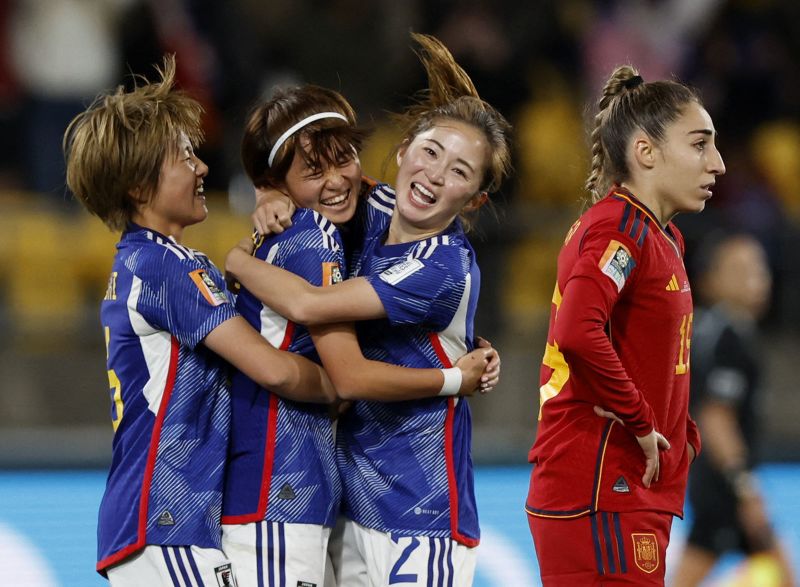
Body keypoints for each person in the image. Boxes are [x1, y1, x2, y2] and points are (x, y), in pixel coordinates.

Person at [224, 32, 512, 587]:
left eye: (459, 172)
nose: (434, 175)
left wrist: (237, 258)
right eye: (430, 153)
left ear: (474, 200)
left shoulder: (443, 263)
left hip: (423, 510)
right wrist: (269, 195)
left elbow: (321, 325)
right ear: (402, 151)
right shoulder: (373, 206)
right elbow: (316, 179)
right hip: (355, 506)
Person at [63, 55, 337, 585]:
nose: (202, 167)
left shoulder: (145, 261)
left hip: (156, 519)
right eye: (184, 157)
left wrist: (254, 234)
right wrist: (344, 385)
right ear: (140, 188)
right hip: (165, 519)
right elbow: (274, 371)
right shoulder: (168, 265)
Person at [525, 65, 725, 586]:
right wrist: (641, 420)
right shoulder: (620, 227)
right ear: (646, 152)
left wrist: (682, 432)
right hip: (597, 482)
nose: (718, 164)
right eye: (700, 144)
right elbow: (577, 331)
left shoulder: (665, 239)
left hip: (631, 486)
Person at [672, 232, 795, 587]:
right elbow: (715, 417)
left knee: (784, 574)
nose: (757, 279)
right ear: (712, 281)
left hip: (720, 485)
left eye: (760, 269)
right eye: (741, 270)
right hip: (724, 490)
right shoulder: (730, 339)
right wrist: (745, 487)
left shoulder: (711, 330)